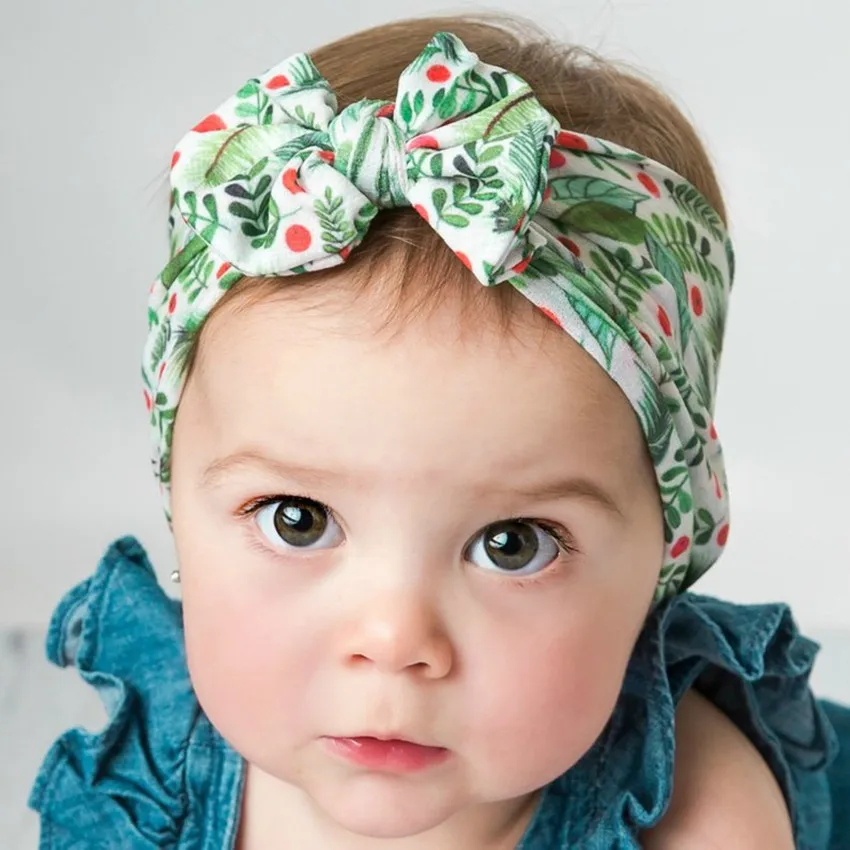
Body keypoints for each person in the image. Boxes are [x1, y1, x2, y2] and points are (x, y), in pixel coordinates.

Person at [28, 13, 849, 850]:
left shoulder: (698, 820)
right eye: (297, 520)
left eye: (513, 544)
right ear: (179, 500)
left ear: (668, 553)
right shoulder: (143, 787)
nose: (393, 642)